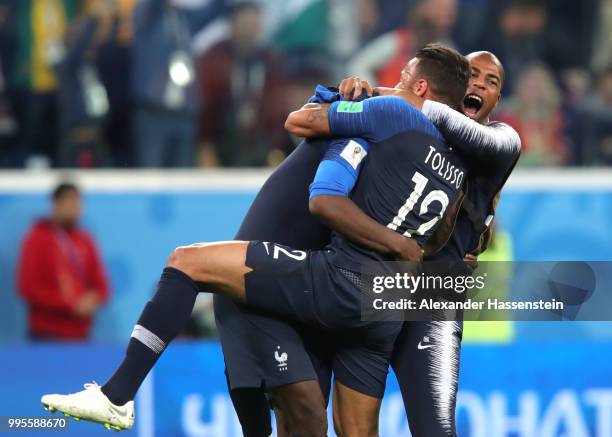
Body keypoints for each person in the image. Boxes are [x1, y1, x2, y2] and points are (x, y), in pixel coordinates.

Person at [40, 43, 471, 434]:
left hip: (331, 281)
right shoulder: (455, 168)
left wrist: (351, 95)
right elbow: (437, 241)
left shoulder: (389, 117)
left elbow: (309, 156)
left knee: (186, 260)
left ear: (419, 87)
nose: (389, 86)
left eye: (399, 80)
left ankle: (116, 395)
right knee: (337, 426)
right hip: (377, 307)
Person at [17, 182, 110, 340]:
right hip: (46, 334)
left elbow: (102, 287)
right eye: (70, 203)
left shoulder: (85, 240)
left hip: (81, 335)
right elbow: (28, 287)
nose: (76, 209)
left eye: (78, 203)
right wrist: (69, 304)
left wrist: (92, 300)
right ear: (56, 204)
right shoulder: (36, 239)